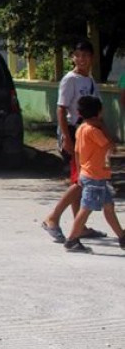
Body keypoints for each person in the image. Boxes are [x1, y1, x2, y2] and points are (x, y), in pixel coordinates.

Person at [42, 39, 104, 242]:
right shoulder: (70, 79)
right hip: (73, 133)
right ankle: (53, 218)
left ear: (92, 58)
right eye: (78, 55)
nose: (82, 59)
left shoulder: (91, 81)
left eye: (86, 55)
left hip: (86, 135)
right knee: (80, 181)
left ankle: (81, 226)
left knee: (80, 181)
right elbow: (61, 109)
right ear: (73, 57)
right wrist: (66, 138)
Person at [61, 96, 124, 253]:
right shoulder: (94, 130)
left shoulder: (81, 128)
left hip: (92, 175)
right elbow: (111, 147)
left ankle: (122, 237)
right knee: (86, 209)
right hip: (95, 176)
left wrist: (80, 171)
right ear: (99, 112)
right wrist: (102, 125)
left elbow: (76, 152)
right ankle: (72, 239)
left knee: (109, 208)